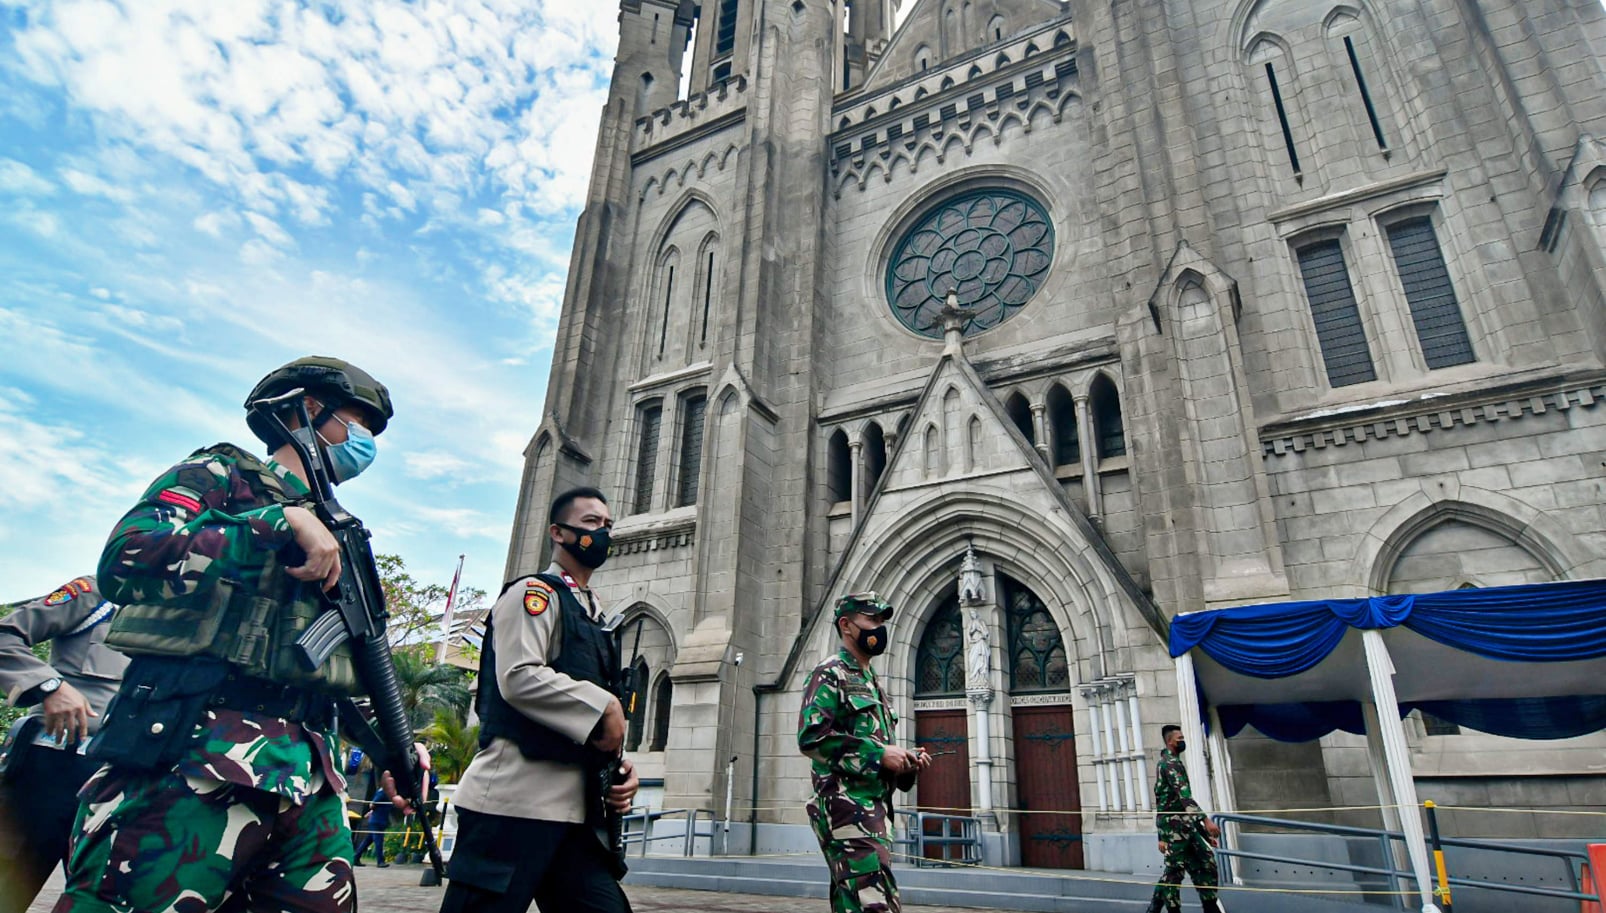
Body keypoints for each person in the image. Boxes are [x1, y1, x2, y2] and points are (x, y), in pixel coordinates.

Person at [54, 356, 415, 913]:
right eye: (358, 423)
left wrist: (392, 750)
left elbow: (341, 669)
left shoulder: (343, 532)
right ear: (310, 410)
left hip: (306, 782)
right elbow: (125, 560)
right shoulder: (223, 474)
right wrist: (273, 525)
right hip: (190, 759)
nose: (366, 442)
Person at [440, 487, 639, 913]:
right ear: (557, 533)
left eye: (607, 525)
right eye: (590, 523)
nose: (602, 532)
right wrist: (604, 706)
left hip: (574, 814)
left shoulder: (594, 616)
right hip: (513, 807)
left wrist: (616, 773)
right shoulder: (535, 594)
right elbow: (518, 676)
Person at [798, 592, 932, 913]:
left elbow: (879, 756)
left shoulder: (874, 684)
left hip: (876, 814)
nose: (879, 628)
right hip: (847, 812)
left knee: (853, 905)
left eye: (882, 621)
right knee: (876, 906)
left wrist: (904, 764)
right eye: (872, 620)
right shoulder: (830, 673)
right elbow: (812, 737)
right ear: (846, 625)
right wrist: (879, 754)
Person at [0, 576, 128, 910]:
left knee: (101, 900)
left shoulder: (192, 619)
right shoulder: (98, 595)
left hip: (125, 782)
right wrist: (49, 686)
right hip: (51, 770)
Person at [1146, 724, 1223, 913]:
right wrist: (1206, 820)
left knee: (1206, 862)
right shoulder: (1169, 764)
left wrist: (1204, 833)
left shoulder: (1175, 762)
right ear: (1169, 741)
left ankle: (1210, 905)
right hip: (1173, 829)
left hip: (1186, 827)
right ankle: (1163, 909)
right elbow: (1184, 796)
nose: (1183, 742)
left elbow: (1184, 804)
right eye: (1179, 739)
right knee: (1174, 874)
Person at [351, 785, 392, 868]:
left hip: (378, 820)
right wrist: (372, 811)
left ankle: (356, 858)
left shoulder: (383, 792)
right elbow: (373, 804)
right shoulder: (382, 792)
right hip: (377, 821)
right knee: (378, 841)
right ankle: (380, 861)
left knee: (368, 841)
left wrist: (371, 812)